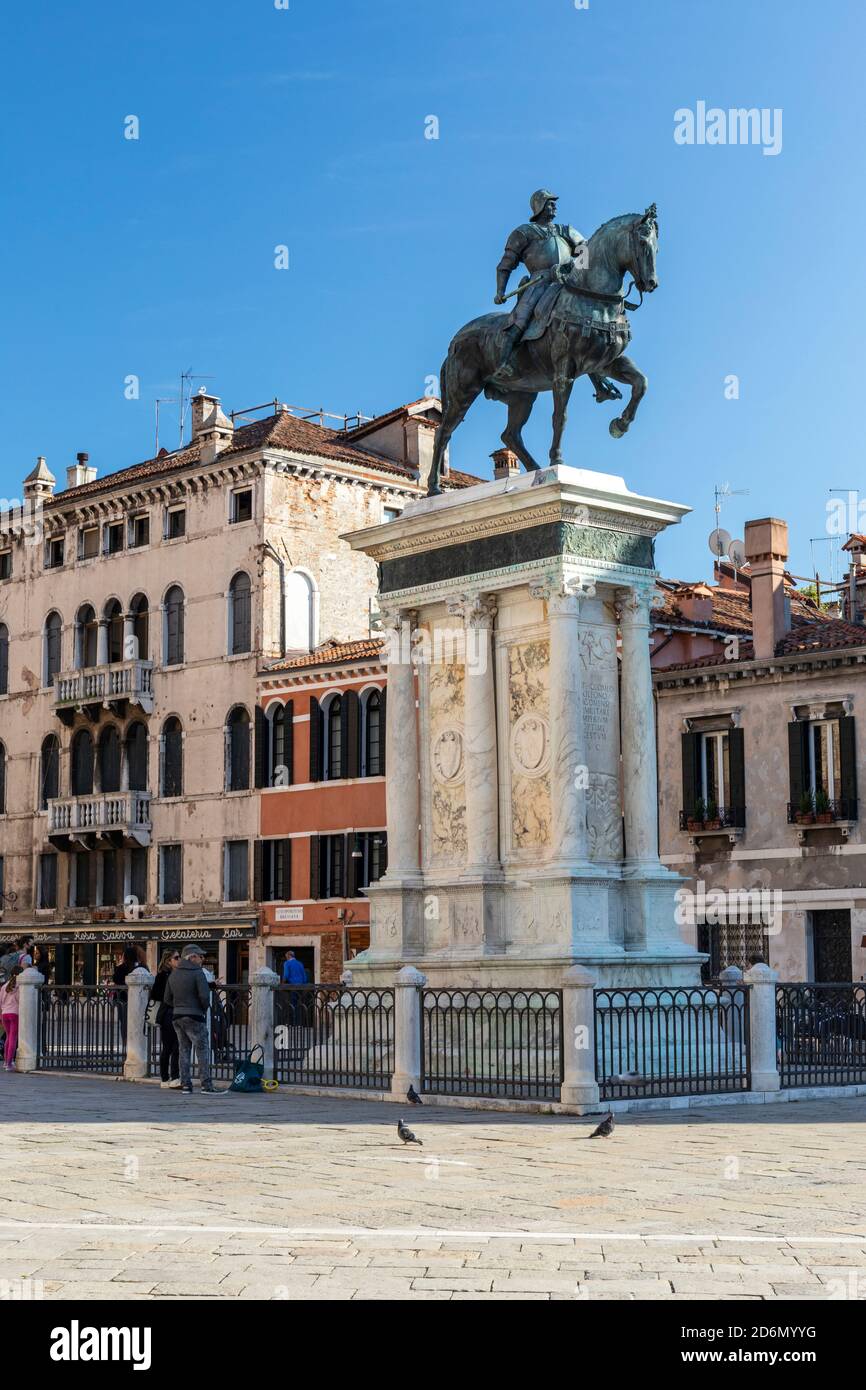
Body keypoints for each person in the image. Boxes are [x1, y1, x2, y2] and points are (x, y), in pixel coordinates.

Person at [493, 189, 621, 403]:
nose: (554, 206)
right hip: (538, 284)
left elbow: (587, 254)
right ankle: (502, 363)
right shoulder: (525, 232)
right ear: (540, 206)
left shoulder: (565, 230)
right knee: (520, 319)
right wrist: (500, 291)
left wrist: (575, 266)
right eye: (550, 203)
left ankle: (600, 383)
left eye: (554, 203)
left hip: (567, 282)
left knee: (583, 324)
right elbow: (505, 264)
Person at [164, 945, 225, 1095]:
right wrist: (202, 1009)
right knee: (202, 1049)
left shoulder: (174, 974)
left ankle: (186, 1085)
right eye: (200, 956)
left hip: (177, 1016)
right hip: (194, 1015)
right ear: (192, 957)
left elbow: (167, 999)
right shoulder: (197, 973)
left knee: (183, 1050)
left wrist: (179, 1006)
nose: (202, 959)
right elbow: (204, 996)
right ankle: (206, 1085)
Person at [150, 949, 181, 1089]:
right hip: (167, 1013)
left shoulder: (179, 974)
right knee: (168, 1047)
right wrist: (168, 995)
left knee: (177, 1047)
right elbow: (155, 993)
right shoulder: (162, 975)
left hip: (178, 1012)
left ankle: (175, 1077)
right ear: (169, 961)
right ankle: (165, 1078)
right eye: (176, 957)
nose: (179, 960)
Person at [112, 945, 139, 1044]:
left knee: (124, 1021)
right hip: (135, 999)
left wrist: (119, 964)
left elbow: (115, 979)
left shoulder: (121, 968)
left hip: (122, 999)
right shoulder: (138, 968)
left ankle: (125, 1040)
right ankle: (134, 1041)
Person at [0, 967, 21, 1071]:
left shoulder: (4, 986)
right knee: (13, 1037)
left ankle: (5, 1062)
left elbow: (1, 1001)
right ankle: (9, 1063)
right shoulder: (19, 986)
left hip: (4, 1014)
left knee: (8, 1037)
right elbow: (20, 1000)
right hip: (14, 1014)